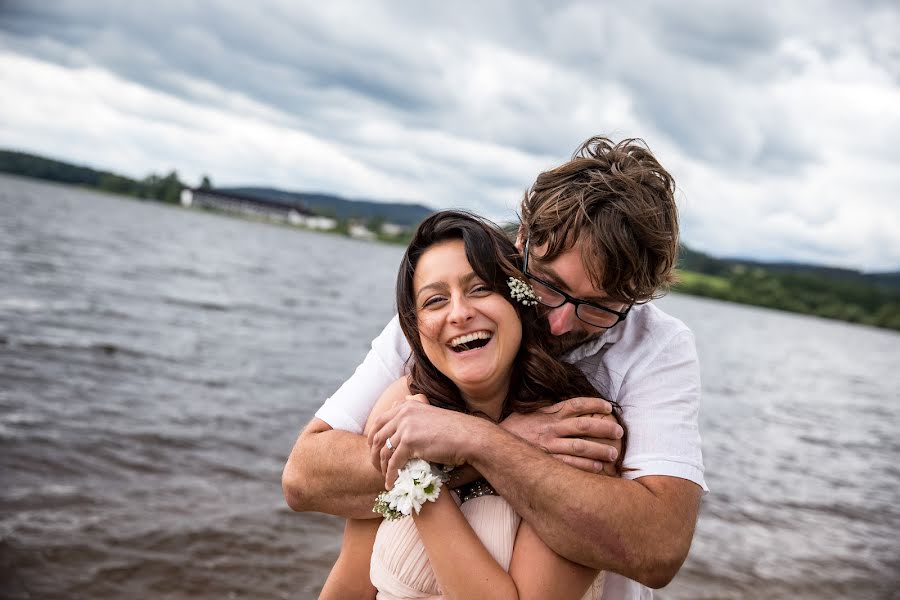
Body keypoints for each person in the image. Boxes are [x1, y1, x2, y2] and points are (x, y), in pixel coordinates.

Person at [284, 136, 707, 599]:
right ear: (521, 243)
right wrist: (490, 442)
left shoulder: (644, 362)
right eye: (549, 286)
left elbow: (657, 547)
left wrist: (482, 441)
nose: (561, 321)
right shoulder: (446, 326)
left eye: (600, 307)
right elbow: (306, 478)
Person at [320, 210, 626, 599]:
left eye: (480, 288)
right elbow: (349, 581)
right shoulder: (404, 404)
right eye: (435, 300)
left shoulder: (576, 433)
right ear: (416, 328)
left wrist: (422, 477)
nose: (460, 313)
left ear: (519, 301)